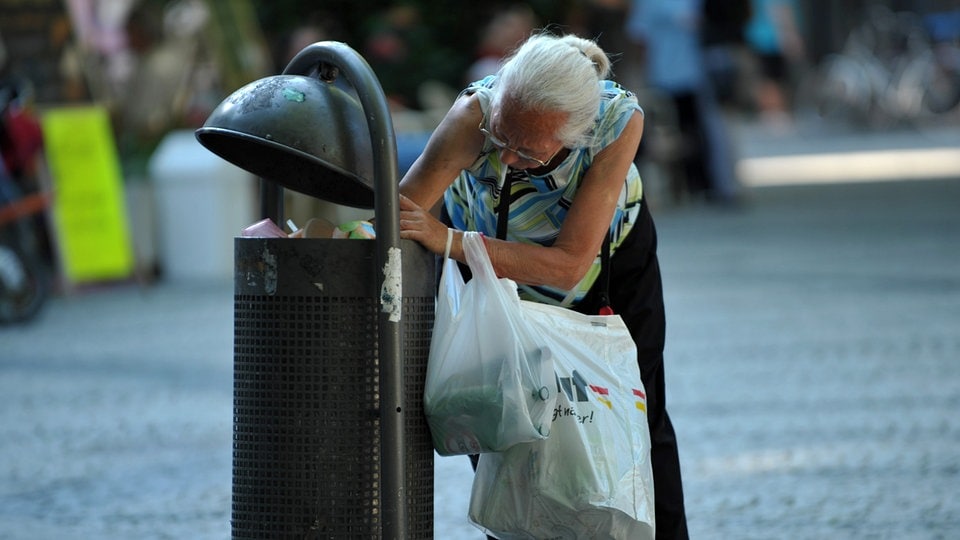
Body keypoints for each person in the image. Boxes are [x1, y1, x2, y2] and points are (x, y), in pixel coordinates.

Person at [397, 32, 689, 539]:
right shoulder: (476, 113)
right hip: (489, 264)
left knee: (636, 409)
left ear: (576, 134)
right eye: (501, 137)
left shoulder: (618, 122)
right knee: (496, 409)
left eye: (527, 152)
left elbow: (568, 265)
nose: (507, 158)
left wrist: (451, 241)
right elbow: (402, 215)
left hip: (607, 265)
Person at [626, 0, 740, 205]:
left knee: (698, 132)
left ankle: (704, 185)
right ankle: (683, 188)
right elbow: (639, 37)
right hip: (664, 76)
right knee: (676, 134)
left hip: (695, 75)